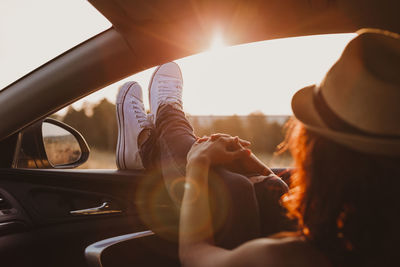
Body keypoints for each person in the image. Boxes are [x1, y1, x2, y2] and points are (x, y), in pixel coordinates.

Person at [116, 28, 400, 266]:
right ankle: (153, 136)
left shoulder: (285, 258)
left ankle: (162, 124)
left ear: (318, 156)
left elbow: (195, 255)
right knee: (264, 189)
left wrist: (198, 164)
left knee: (226, 184)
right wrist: (259, 168)